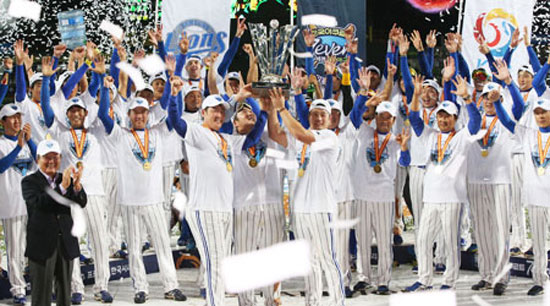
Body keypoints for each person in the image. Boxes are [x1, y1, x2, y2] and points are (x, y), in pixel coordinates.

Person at [40, 55, 114, 303]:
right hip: (70, 197)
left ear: (85, 113)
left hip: (94, 192)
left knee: (100, 241)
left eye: (79, 110)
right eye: (71, 110)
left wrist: (102, 77)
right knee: (71, 243)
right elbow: (47, 110)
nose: (75, 114)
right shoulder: (59, 131)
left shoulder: (95, 132)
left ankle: (102, 285)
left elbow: (103, 109)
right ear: (67, 114)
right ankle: (76, 287)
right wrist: (48, 78)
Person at [268, 89, 345, 306]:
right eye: (314, 114)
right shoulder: (300, 137)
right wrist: (272, 109)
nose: (319, 118)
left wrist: (282, 107)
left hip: (322, 208)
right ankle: (313, 301)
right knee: (310, 261)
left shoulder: (329, 138)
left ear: (330, 119)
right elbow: (275, 134)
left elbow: (304, 136)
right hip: (301, 209)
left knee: (328, 258)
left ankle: (338, 302)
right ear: (309, 116)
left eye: (323, 115)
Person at [404, 74, 481, 291]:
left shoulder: (462, 137)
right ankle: (424, 277)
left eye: (447, 117)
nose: (443, 120)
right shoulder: (430, 135)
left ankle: (449, 280)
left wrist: (467, 98)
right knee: (423, 239)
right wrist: (416, 95)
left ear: (455, 118)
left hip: (451, 198)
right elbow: (414, 118)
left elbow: (475, 122)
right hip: (430, 198)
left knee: (449, 241)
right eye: (440, 116)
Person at [21, 139, 87, 306]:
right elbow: (40, 204)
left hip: (65, 243)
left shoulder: (66, 179)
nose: (51, 161)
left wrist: (77, 186)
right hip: (41, 245)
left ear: (60, 157)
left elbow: (81, 203)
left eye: (55, 157)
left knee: (65, 294)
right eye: (46, 157)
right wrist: (63, 188)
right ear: (37, 159)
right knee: (41, 295)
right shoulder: (29, 182)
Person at [0, 104, 36, 305]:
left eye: (18, 117)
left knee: (30, 249)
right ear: (2, 122)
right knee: (14, 249)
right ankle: (18, 290)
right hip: (11, 205)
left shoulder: (26, 143)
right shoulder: (2, 144)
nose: (16, 121)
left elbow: (40, 161)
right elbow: (1, 167)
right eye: (11, 118)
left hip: (29, 203)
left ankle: (35, 285)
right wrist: (18, 147)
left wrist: (29, 142)